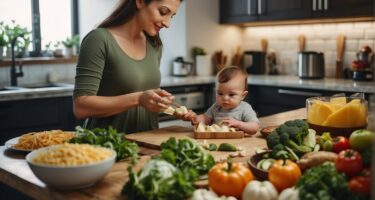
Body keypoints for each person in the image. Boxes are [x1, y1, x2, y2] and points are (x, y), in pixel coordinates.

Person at [73, 0, 183, 134]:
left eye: (171, 16)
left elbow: (144, 95)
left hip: (147, 146)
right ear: (140, 2)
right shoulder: (99, 40)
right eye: (163, 12)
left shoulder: (155, 45)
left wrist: (173, 108)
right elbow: (81, 107)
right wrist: (138, 99)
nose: (167, 23)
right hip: (105, 148)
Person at [191, 66, 260, 134]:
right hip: (216, 141)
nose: (225, 98)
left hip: (237, 143)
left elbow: (254, 127)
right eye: (220, 93)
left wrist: (239, 124)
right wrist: (196, 119)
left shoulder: (245, 108)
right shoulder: (216, 107)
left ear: (243, 96)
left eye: (231, 95)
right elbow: (206, 119)